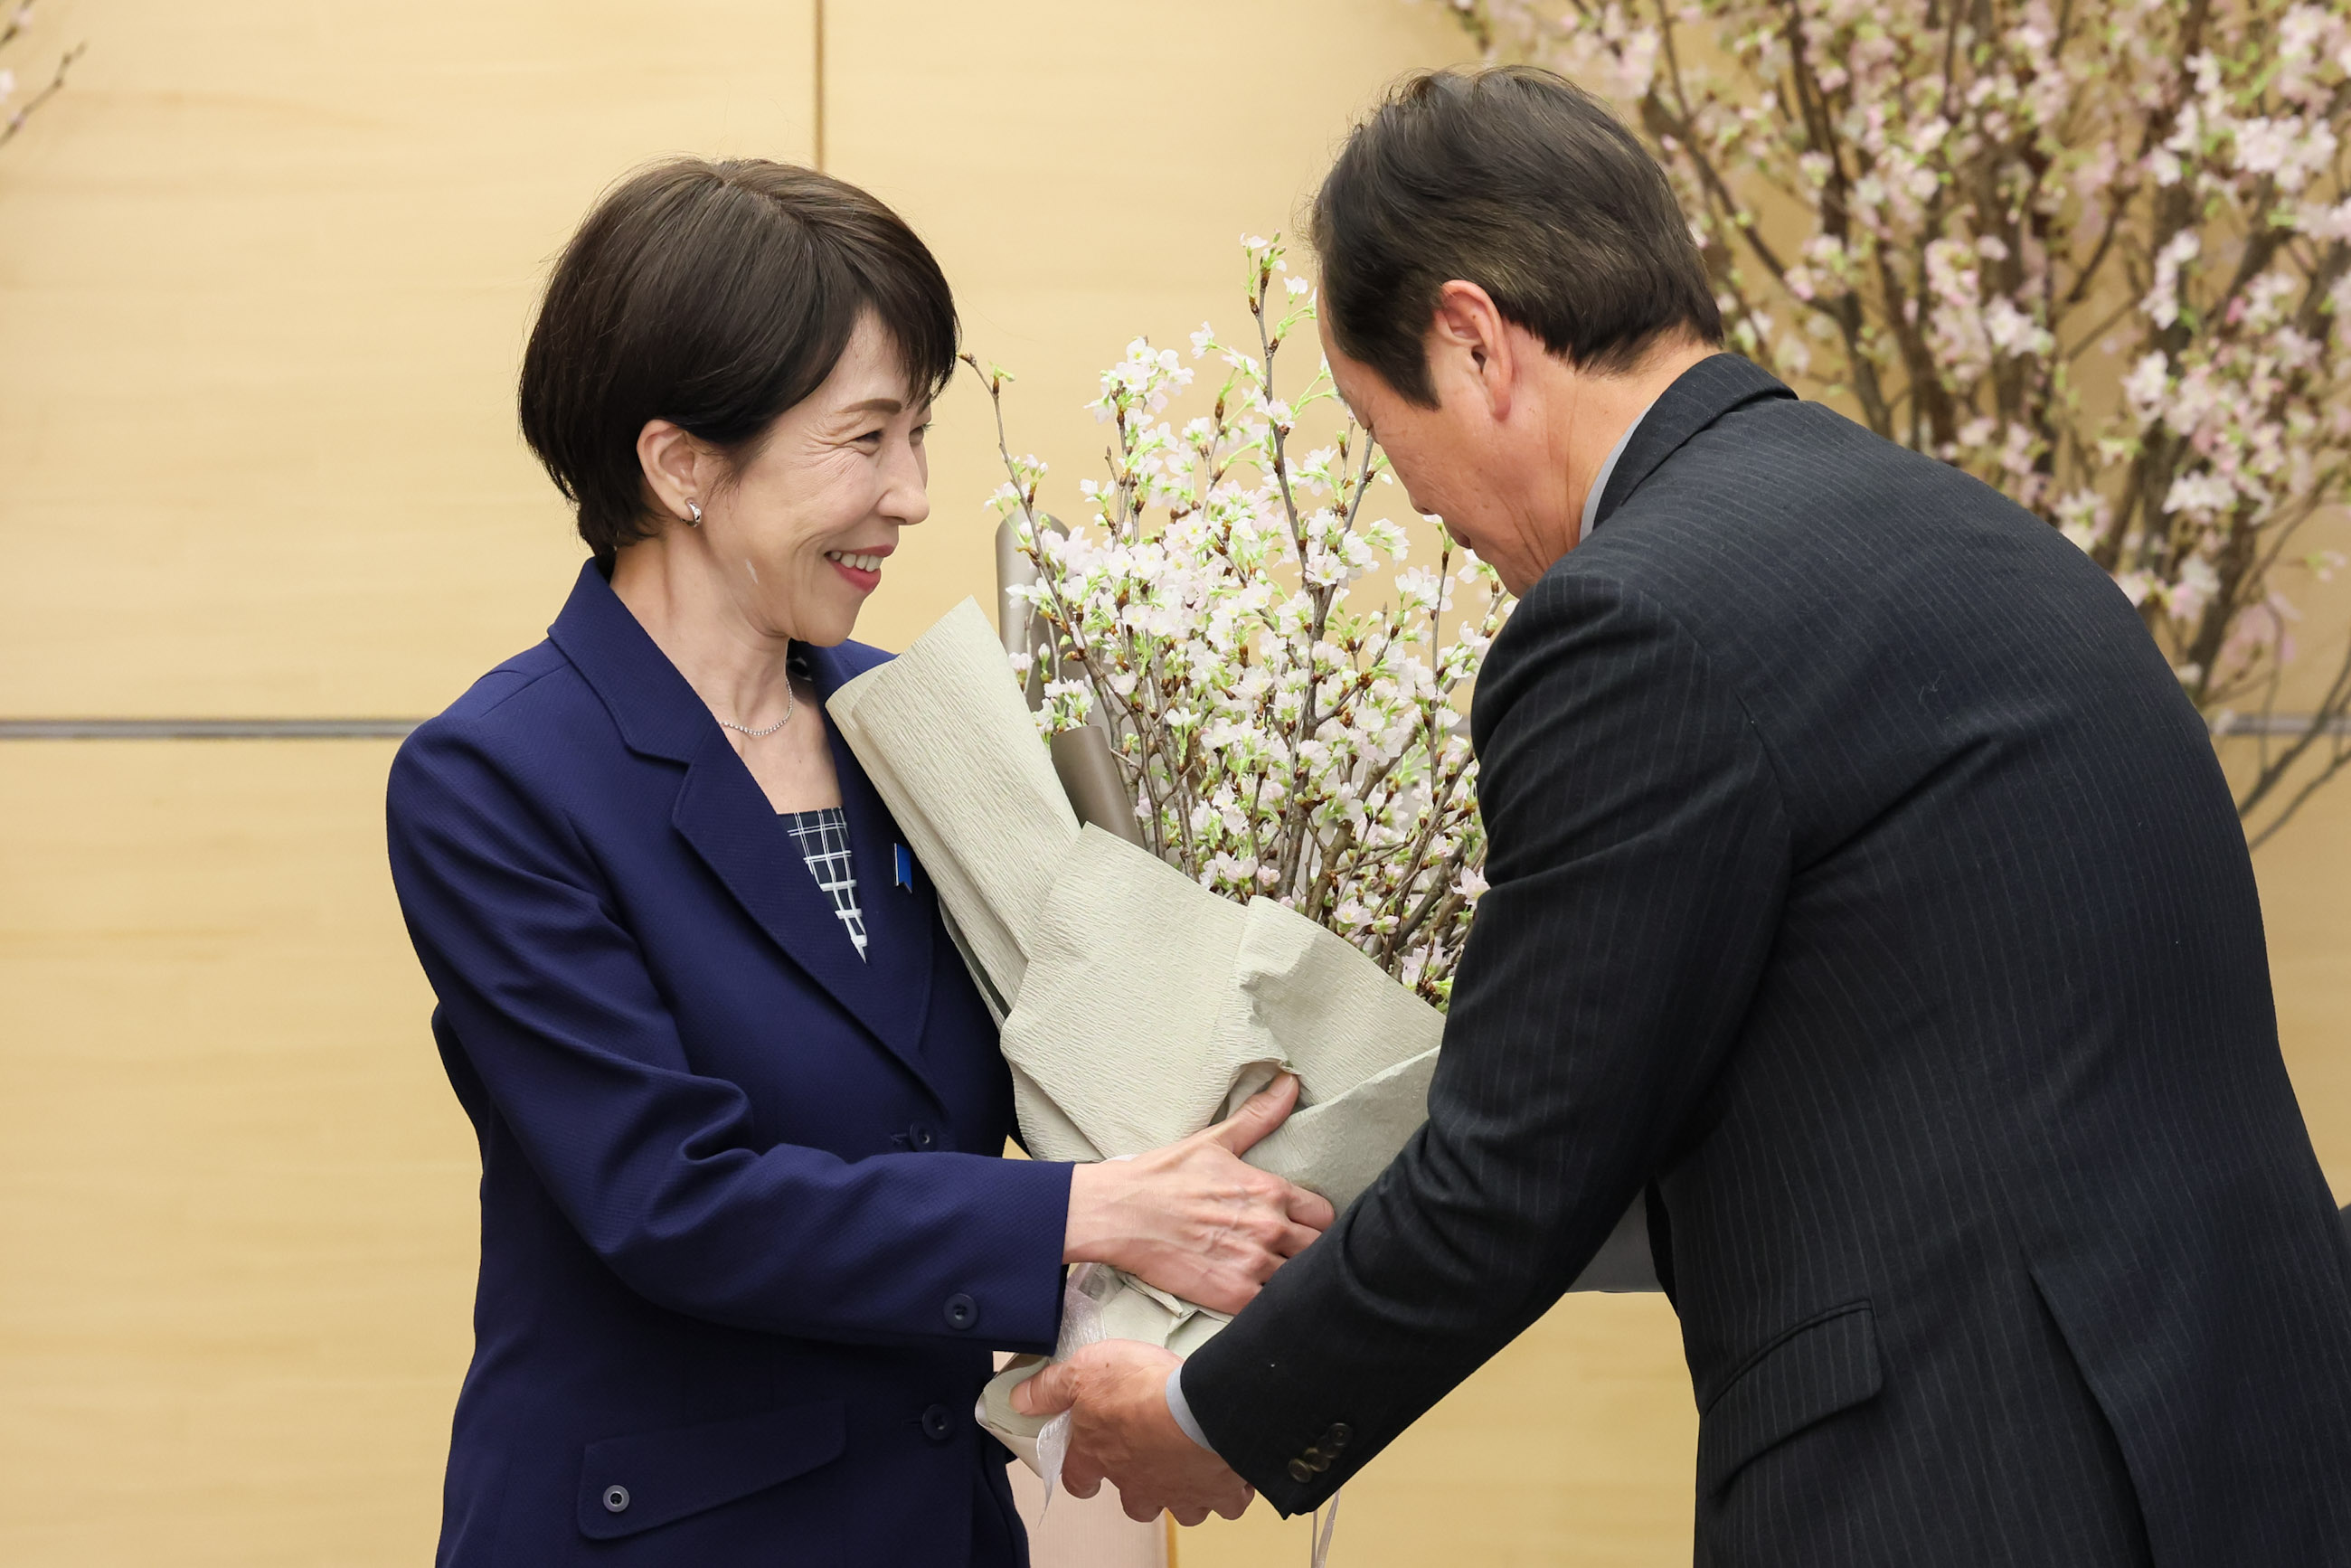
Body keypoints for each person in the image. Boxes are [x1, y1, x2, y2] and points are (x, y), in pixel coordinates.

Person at [1017, 68, 2351, 1563]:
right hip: (2250, 1423)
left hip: (1982, 1461)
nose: (1417, 509)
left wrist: (1215, 1411)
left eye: (1380, 429)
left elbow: (1514, 1169)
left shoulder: (1634, 619)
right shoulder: (1974, 535)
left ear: (1472, 341)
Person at [383, 158, 1335, 1567]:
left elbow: (1069, 1060)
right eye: (867, 438)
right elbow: (673, 1199)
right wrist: (1097, 1212)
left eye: (921, 435)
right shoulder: (499, 781)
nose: (913, 494)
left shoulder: (915, 724)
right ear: (681, 463)